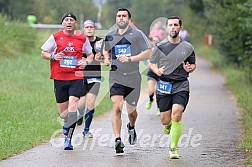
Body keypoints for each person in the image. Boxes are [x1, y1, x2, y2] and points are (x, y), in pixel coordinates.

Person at [41, 12, 94, 150]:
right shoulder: (55, 37)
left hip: (76, 77)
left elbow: (90, 54)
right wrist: (53, 55)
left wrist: (85, 61)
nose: (69, 22)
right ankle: (67, 124)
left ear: (75, 23)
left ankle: (68, 140)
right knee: (64, 113)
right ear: (63, 23)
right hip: (59, 77)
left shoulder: (82, 38)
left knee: (72, 106)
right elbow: (43, 53)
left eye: (71, 20)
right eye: (66, 20)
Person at [103, 8, 151, 154]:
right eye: (119, 16)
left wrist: (130, 58)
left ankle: (131, 126)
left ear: (129, 19)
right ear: (116, 19)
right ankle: (117, 139)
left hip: (132, 76)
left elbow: (148, 53)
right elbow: (106, 49)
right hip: (116, 76)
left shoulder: (137, 35)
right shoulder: (110, 35)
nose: (121, 18)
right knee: (117, 107)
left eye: (124, 16)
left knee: (131, 111)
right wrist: (106, 59)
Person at [149, 16, 196, 159]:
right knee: (165, 119)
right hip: (164, 86)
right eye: (170, 25)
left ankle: (173, 148)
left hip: (181, 84)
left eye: (176, 25)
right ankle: (168, 126)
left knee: (177, 113)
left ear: (180, 28)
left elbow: (193, 64)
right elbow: (151, 62)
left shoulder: (187, 47)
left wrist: (190, 68)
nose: (173, 27)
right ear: (167, 28)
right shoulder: (160, 46)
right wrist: (156, 71)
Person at [77, 20, 103, 138]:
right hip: (80, 75)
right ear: (83, 29)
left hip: (95, 74)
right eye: (87, 27)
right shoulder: (79, 41)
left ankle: (86, 130)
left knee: (91, 101)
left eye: (91, 27)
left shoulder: (100, 42)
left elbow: (106, 58)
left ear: (94, 28)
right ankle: (79, 114)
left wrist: (101, 57)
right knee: (81, 103)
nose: (89, 29)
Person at [145, 36, 161, 116]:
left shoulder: (162, 50)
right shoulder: (149, 51)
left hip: (160, 73)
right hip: (152, 72)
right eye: (154, 41)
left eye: (157, 41)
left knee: (159, 92)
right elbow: (149, 62)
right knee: (151, 90)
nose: (155, 42)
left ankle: (159, 108)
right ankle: (150, 99)